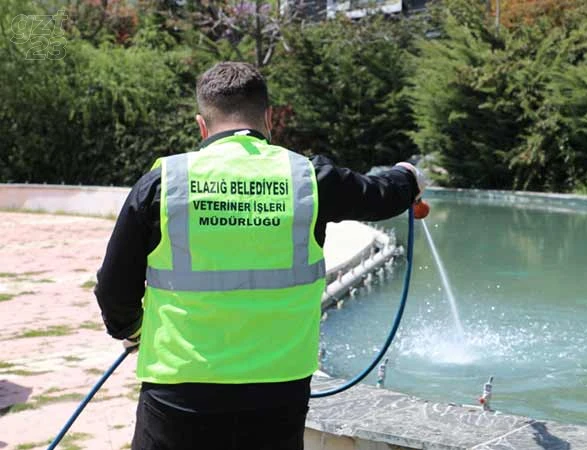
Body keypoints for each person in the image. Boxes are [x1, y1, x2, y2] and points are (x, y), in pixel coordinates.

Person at [94, 61, 426, 450]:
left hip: (180, 394)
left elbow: (114, 288)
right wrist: (407, 176)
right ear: (269, 119)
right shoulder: (307, 178)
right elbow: (379, 194)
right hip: (277, 396)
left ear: (202, 125)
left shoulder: (165, 182)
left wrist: (132, 331)